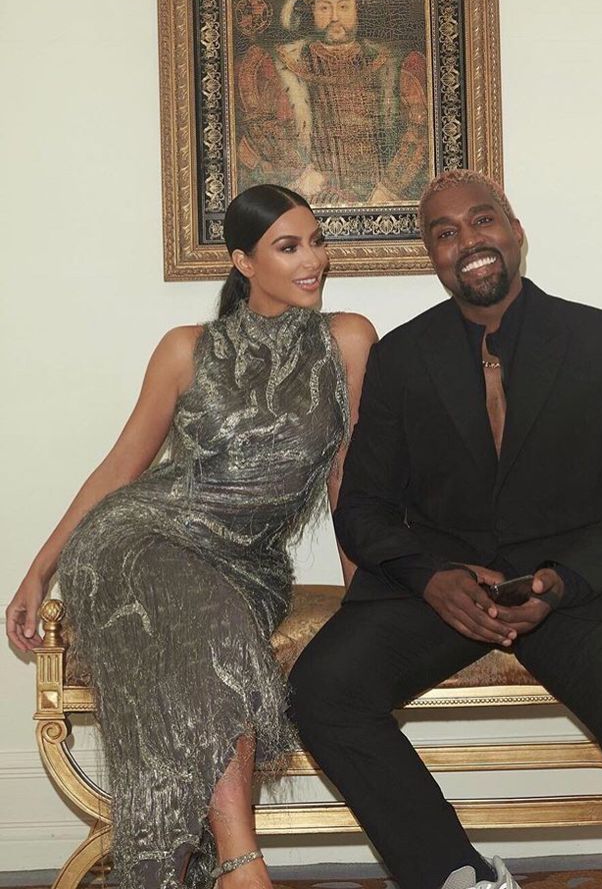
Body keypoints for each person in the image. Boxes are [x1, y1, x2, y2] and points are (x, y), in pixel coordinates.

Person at [289, 170, 602, 889]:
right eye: (445, 232)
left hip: (578, 588)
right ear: (431, 256)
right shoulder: (402, 360)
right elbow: (363, 506)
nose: (468, 241)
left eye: (481, 220)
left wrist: (564, 580)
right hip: (442, 589)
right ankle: (459, 875)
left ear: (514, 229)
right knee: (322, 690)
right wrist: (431, 578)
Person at [5, 184, 376, 889]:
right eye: (289, 246)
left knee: (211, 648)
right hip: (137, 540)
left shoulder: (348, 340)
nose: (314, 261)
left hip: (246, 565)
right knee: (217, 640)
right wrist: (38, 570)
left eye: (315, 241)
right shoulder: (185, 349)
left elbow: (344, 481)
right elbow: (120, 470)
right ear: (243, 261)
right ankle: (242, 863)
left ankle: (175, 869)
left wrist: (365, 597)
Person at [236, 0, 428, 204]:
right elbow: (261, 126)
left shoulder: (392, 64)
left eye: (344, 7)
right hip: (311, 197)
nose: (335, 17)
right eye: (325, 8)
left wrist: (388, 190)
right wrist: (302, 174)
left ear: (357, 10)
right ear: (312, 12)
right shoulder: (282, 63)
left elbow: (419, 130)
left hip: (381, 196)